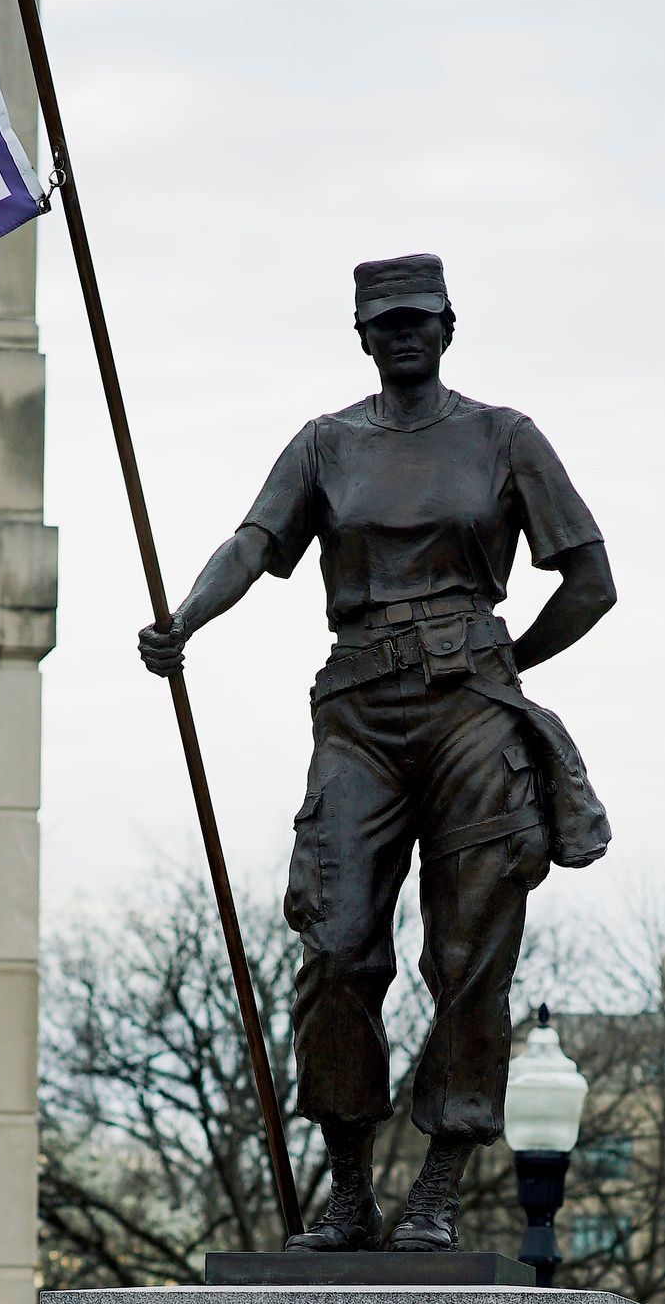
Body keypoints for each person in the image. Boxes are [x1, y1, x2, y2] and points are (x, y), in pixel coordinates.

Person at [139, 253, 615, 1252]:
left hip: (470, 718)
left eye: (419, 318)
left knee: (470, 951)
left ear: (448, 325)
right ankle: (349, 1190)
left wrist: (501, 665)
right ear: (363, 334)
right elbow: (251, 544)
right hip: (357, 713)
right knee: (338, 942)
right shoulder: (326, 445)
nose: (403, 333)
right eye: (385, 321)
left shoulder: (503, 438)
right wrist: (186, 618)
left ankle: (436, 1185)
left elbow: (589, 578)